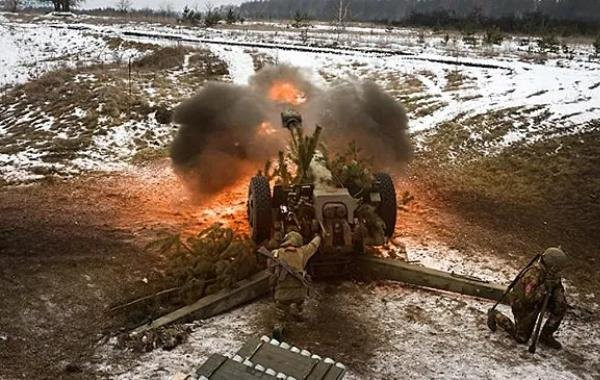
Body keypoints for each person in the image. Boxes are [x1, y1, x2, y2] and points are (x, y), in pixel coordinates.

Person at [487, 247, 569, 349]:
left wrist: (558, 297)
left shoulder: (551, 273)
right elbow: (528, 299)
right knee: (521, 338)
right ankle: (495, 315)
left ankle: (545, 336)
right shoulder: (532, 276)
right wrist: (545, 287)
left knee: (560, 307)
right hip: (523, 305)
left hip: (539, 299)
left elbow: (557, 289)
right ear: (552, 266)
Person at [268, 230, 321, 340]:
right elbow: (313, 245)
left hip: (282, 291)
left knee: (281, 308)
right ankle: (298, 312)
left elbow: (270, 268)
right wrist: (318, 236)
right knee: (299, 301)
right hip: (299, 292)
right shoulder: (302, 252)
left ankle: (279, 325)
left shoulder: (276, 253)